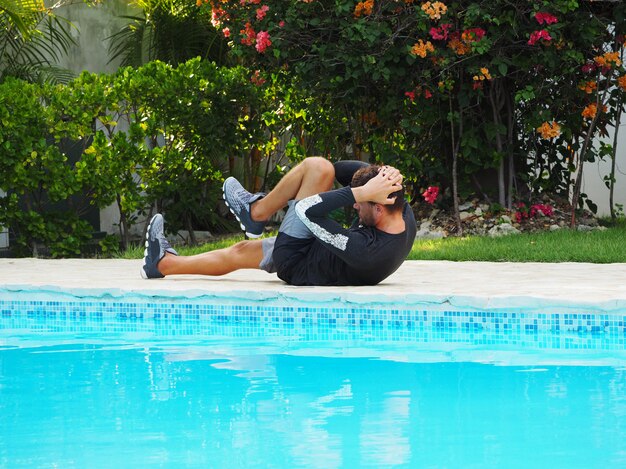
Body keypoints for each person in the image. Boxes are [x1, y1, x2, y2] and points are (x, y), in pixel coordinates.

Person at [141, 157, 417, 286]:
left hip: (296, 260)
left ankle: (256, 212)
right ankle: (163, 264)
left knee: (317, 168)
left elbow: (308, 211)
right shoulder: (400, 213)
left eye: (362, 203)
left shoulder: (367, 252)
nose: (355, 205)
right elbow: (343, 170)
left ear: (378, 208)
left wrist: (358, 192)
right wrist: (382, 173)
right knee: (240, 251)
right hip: (319, 252)